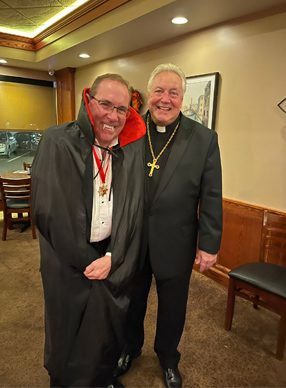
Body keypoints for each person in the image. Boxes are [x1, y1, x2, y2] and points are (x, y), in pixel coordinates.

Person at [31, 73, 146, 388]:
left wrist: (113, 255)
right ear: (88, 101)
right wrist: (86, 261)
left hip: (108, 253)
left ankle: (100, 378)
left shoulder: (129, 152)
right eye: (105, 104)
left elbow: (133, 212)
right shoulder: (58, 141)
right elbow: (50, 213)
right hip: (66, 257)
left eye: (121, 109)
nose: (113, 115)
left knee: (105, 328)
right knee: (68, 329)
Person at [114, 64, 223, 388]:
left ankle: (168, 357)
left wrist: (209, 244)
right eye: (159, 91)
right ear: (148, 95)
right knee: (131, 302)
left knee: (173, 308)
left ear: (182, 97)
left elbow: (212, 194)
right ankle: (128, 349)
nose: (165, 99)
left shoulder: (203, 139)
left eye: (173, 92)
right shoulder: (129, 130)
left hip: (176, 240)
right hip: (132, 239)